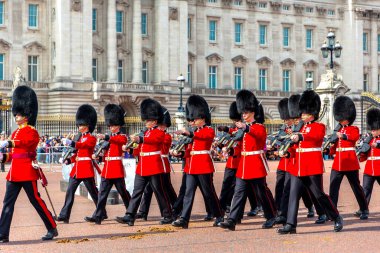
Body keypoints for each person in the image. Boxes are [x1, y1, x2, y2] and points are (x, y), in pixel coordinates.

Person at [278, 90, 343, 234]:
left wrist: (299, 136)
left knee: (319, 194)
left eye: (305, 113)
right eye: (302, 113)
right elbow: (295, 147)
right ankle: (290, 224)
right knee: (293, 194)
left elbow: (314, 137)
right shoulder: (299, 127)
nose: (302, 115)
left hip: (312, 167)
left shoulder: (319, 127)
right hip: (298, 167)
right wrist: (287, 152)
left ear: (312, 113)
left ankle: (336, 217)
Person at [0, 85, 57, 242]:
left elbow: (24, 143)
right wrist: (2, 158)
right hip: (14, 172)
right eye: (16, 113)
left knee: (35, 200)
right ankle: (2, 234)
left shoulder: (32, 131)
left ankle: (52, 227)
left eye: (19, 114)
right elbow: (12, 155)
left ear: (27, 115)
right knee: (7, 203)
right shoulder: (15, 132)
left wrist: (9, 143)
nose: (16, 116)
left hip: (26, 171)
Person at [219, 90, 276, 231]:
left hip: (255, 164)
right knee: (238, 192)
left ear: (253, 112)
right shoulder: (244, 127)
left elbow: (257, 134)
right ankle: (232, 220)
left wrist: (246, 127)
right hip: (243, 165)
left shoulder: (259, 127)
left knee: (261, 193)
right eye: (242, 112)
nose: (243, 115)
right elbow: (236, 133)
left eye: (246, 112)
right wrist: (226, 129)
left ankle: (271, 216)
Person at [116, 98, 173, 226]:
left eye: (149, 120)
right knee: (137, 191)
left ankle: (168, 215)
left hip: (154, 165)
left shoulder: (159, 133)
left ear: (154, 121)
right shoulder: (145, 133)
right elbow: (139, 150)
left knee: (159, 192)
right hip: (142, 166)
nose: (146, 122)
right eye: (146, 120)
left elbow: (154, 141)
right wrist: (130, 149)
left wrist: (139, 139)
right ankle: (130, 216)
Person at [172, 95, 224, 229]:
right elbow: (190, 149)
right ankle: (184, 219)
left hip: (203, 166)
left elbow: (202, 137)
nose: (193, 121)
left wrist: (189, 133)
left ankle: (219, 216)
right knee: (188, 193)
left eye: (195, 119)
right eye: (192, 119)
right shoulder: (194, 132)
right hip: (191, 166)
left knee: (209, 193)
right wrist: (181, 153)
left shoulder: (209, 130)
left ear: (203, 118)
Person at [55, 104, 103, 223]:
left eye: (81, 124)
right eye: (79, 124)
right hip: (77, 169)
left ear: (87, 125)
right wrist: (68, 160)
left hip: (86, 169)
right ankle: (64, 215)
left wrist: (72, 143)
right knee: (70, 192)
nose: (79, 126)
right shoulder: (79, 138)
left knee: (93, 193)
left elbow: (84, 146)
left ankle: (101, 212)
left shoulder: (91, 138)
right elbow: (77, 154)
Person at [85, 104, 131, 224]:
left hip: (116, 169)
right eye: (110, 125)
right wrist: (99, 155)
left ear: (119, 125)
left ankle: (131, 212)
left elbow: (120, 141)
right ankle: (98, 215)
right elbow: (106, 152)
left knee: (124, 193)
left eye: (113, 125)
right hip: (107, 169)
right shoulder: (109, 138)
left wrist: (106, 137)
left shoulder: (122, 136)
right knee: (102, 194)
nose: (111, 128)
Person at [327, 96, 368, 220]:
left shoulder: (353, 128)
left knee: (356, 187)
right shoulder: (337, 131)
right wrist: (329, 146)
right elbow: (333, 148)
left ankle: (364, 209)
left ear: (348, 117)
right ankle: (332, 211)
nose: (341, 120)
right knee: (333, 187)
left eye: (343, 118)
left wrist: (342, 136)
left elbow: (354, 137)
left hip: (350, 162)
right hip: (338, 162)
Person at [136, 107, 177, 220]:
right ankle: (143, 212)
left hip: (162, 164)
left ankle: (176, 207)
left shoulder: (166, 135)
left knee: (166, 188)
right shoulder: (153, 133)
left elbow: (158, 144)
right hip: (154, 163)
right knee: (148, 190)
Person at [359, 108, 380, 216]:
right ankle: (364, 210)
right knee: (365, 190)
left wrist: (378, 145)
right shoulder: (369, 140)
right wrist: (361, 153)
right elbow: (364, 158)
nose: (372, 131)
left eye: (374, 129)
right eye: (371, 130)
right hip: (369, 170)